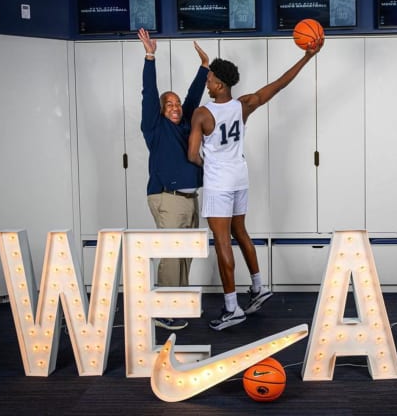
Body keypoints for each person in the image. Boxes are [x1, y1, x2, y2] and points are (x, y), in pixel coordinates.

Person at [188, 39, 323, 330]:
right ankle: (259, 286)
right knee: (241, 231)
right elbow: (278, 85)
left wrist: (207, 164)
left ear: (220, 84)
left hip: (219, 184)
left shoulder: (202, 113)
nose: (207, 84)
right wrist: (307, 57)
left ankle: (231, 307)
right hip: (240, 178)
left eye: (210, 80)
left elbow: (191, 154)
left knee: (223, 242)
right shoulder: (244, 104)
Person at [138, 28, 208, 330]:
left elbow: (193, 97)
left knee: (184, 256)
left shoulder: (184, 125)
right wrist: (150, 56)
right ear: (160, 110)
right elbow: (149, 93)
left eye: (177, 103)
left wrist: (204, 68)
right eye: (170, 104)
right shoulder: (154, 127)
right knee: (171, 255)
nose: (176, 107)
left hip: (189, 200)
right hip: (168, 197)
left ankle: (176, 304)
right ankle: (162, 311)